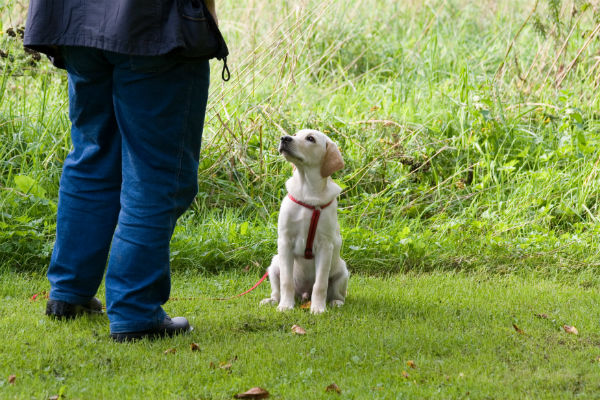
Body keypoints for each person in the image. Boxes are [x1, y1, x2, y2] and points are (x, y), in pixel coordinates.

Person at [23, 0, 227, 342]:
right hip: (154, 27)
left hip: (76, 22)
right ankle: (136, 312)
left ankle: (69, 293)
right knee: (157, 173)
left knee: (93, 156)